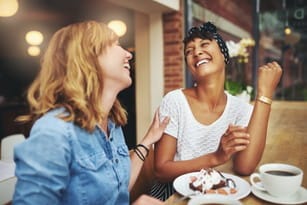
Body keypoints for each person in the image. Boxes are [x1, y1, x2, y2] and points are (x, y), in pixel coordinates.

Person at [12, 20, 169, 205]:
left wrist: (148, 139)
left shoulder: (112, 123)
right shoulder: (54, 132)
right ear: (88, 57)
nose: (128, 54)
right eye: (116, 45)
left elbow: (117, 189)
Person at [150, 21, 282, 201]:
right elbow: (160, 170)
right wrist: (216, 157)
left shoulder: (241, 110)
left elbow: (244, 167)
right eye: (189, 51)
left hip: (216, 193)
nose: (196, 52)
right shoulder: (174, 101)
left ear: (224, 55)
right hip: (171, 194)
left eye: (204, 45)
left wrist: (265, 94)